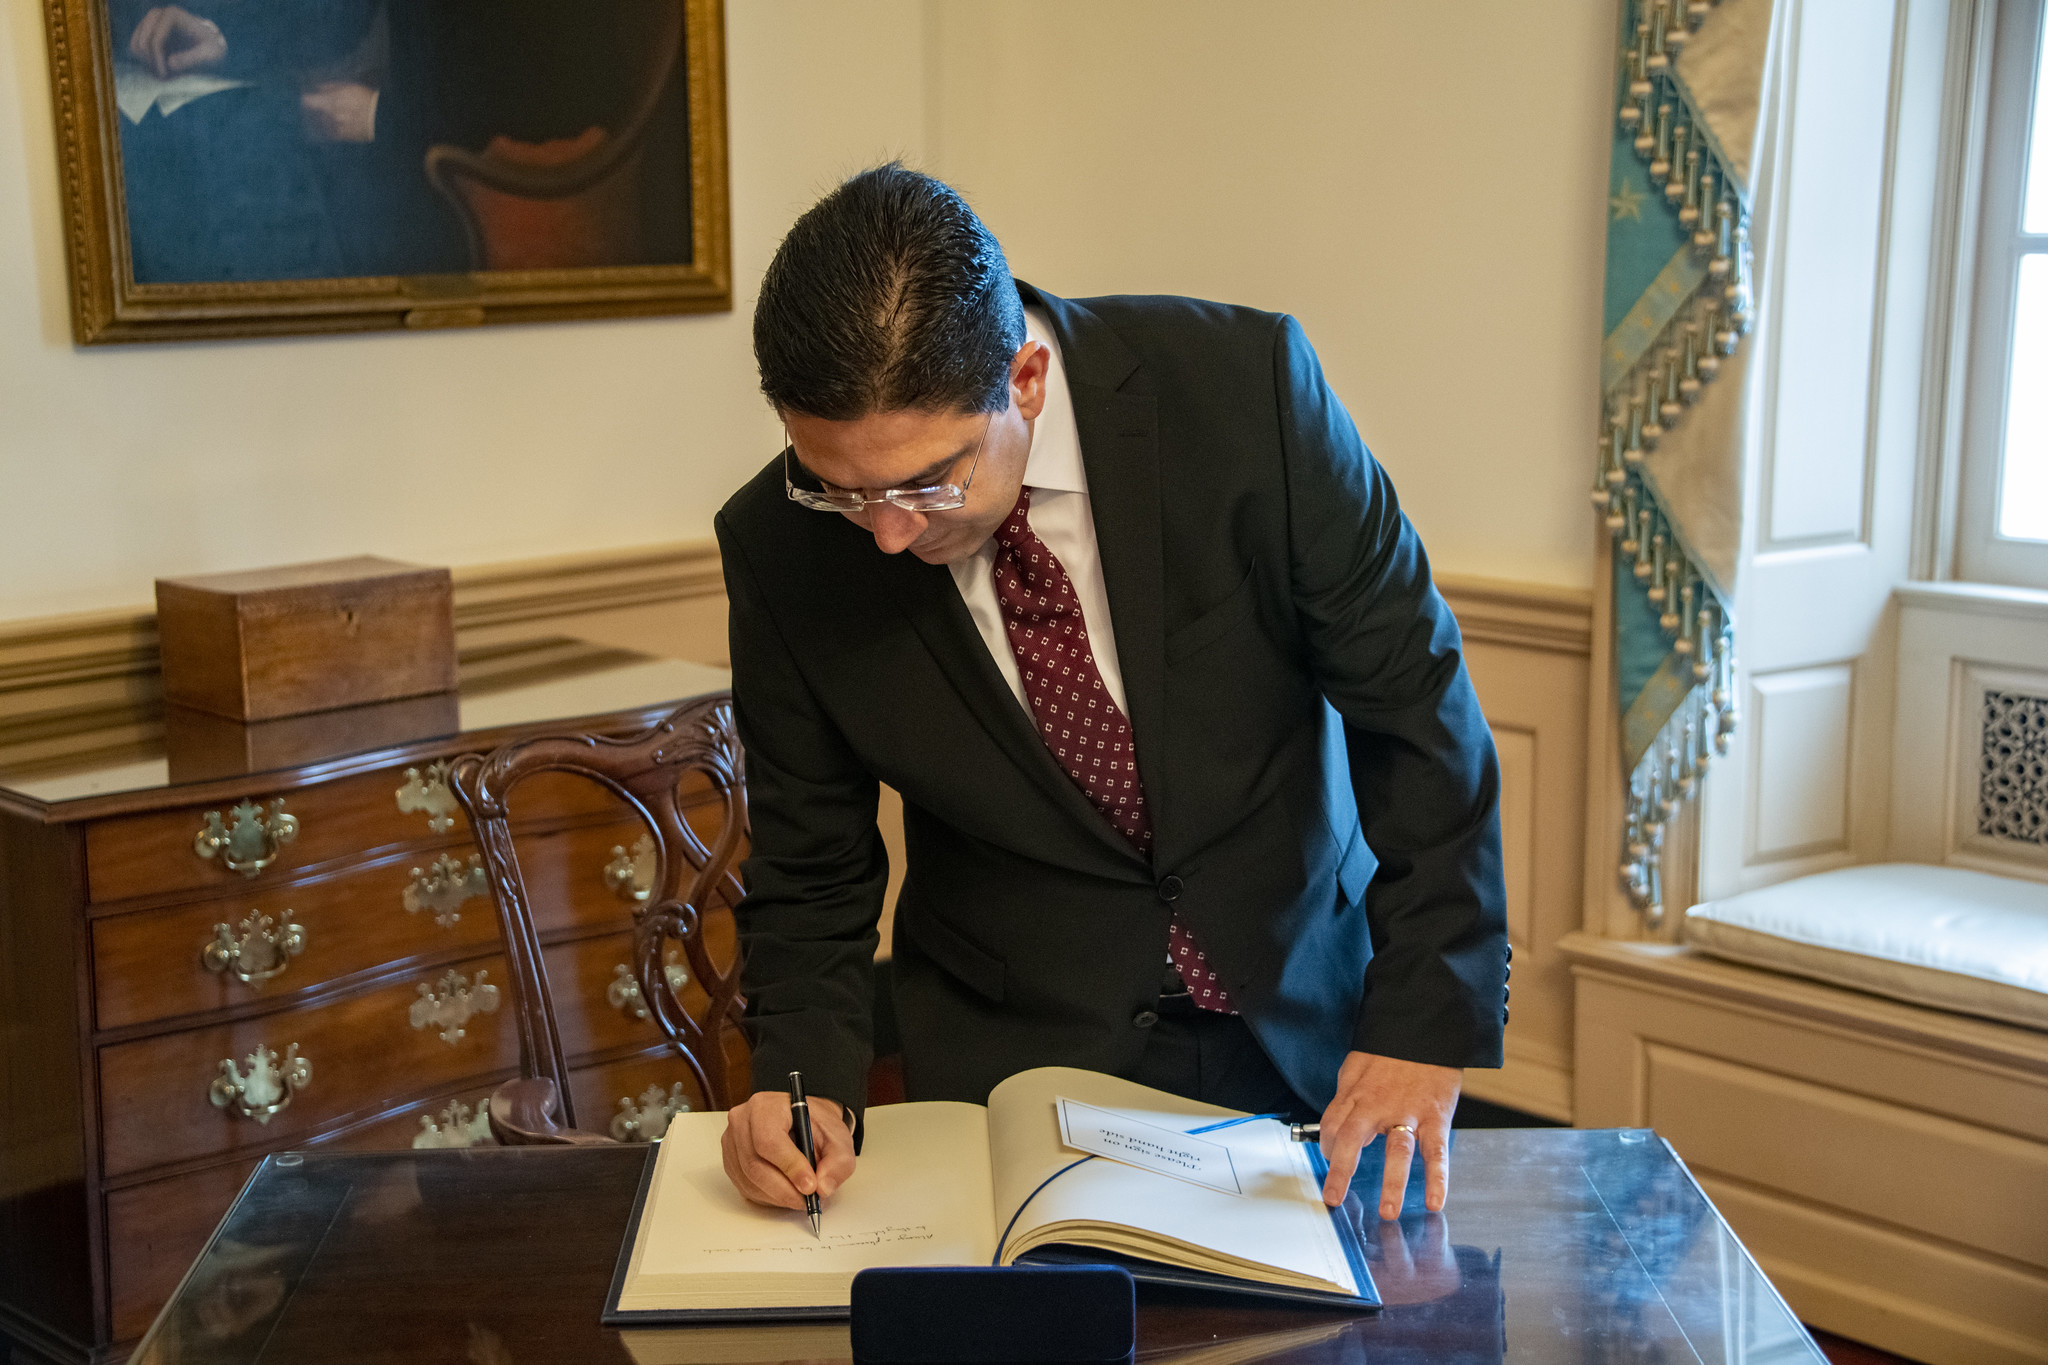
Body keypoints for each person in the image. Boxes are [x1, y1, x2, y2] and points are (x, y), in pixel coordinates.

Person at [715, 164, 1508, 1224]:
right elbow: (811, 859)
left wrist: (1424, 1019)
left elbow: (1416, 715)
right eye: (840, 487)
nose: (887, 532)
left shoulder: (1245, 394)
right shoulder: (779, 544)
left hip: (1308, 1022)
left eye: (927, 481)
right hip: (1017, 1070)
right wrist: (797, 1075)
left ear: (1025, 379)